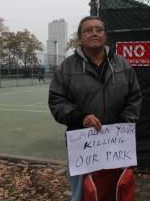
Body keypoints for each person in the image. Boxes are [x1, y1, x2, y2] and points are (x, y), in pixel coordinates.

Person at [48, 16, 142, 201]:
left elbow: (135, 97)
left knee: (116, 189)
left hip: (117, 143)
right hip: (83, 144)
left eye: (99, 29)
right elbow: (57, 102)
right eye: (88, 30)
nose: (94, 33)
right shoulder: (66, 67)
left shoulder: (123, 64)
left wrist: (123, 124)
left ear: (105, 35)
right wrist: (81, 117)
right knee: (81, 194)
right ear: (80, 36)